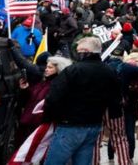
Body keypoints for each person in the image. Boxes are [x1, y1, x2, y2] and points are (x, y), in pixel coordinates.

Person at [43, 37, 122, 165]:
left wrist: (50, 117)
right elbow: (116, 97)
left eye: (78, 51)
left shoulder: (73, 70)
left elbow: (54, 96)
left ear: (85, 51)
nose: (76, 53)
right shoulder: (109, 71)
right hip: (94, 124)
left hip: (70, 125)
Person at [15, 56, 72, 145]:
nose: (46, 69)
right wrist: (25, 89)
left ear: (58, 69)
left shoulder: (58, 87)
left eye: (50, 67)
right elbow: (30, 99)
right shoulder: (43, 82)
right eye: (47, 67)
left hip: (39, 128)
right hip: (28, 125)